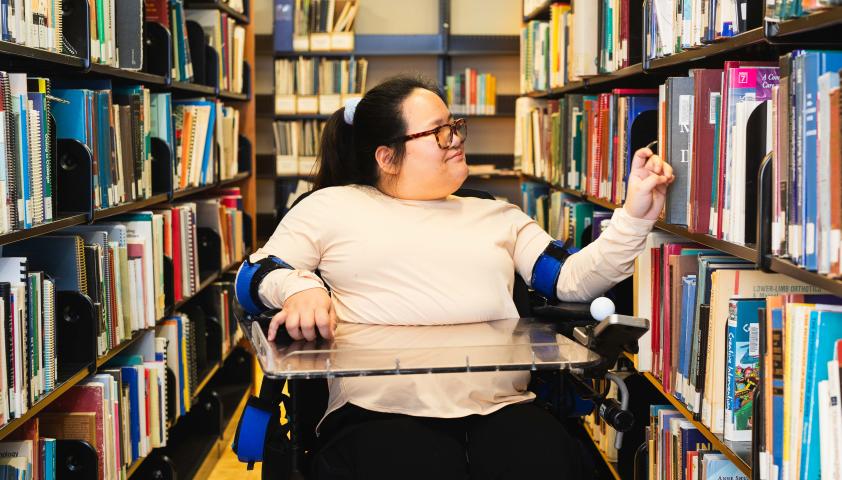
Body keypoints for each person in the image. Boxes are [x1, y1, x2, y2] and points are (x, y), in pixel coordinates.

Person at [237, 75, 674, 479]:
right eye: (440, 131)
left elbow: (570, 279)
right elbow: (255, 274)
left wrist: (633, 215)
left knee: (548, 459)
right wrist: (301, 289)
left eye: (455, 126)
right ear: (388, 157)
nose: (457, 140)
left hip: (502, 406)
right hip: (380, 412)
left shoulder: (496, 213)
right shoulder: (332, 207)